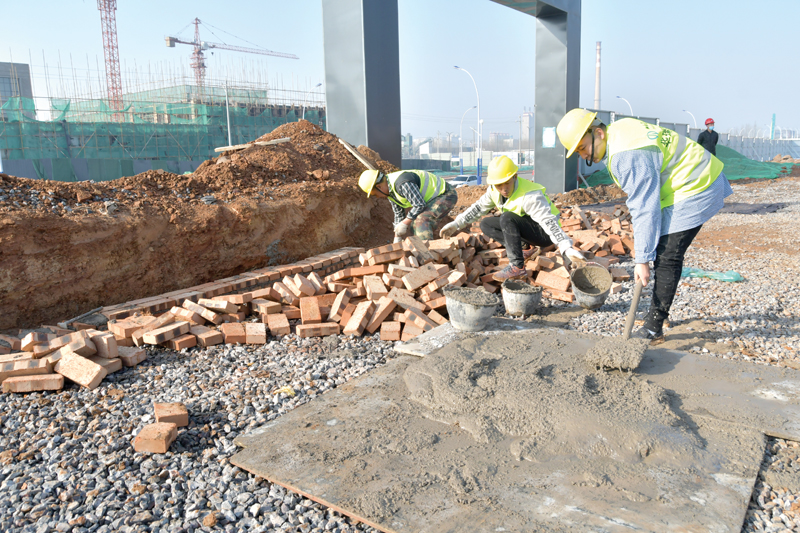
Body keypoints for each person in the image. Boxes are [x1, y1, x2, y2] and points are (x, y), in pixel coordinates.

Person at [556, 109, 733, 344]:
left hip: (696, 185)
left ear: (598, 133)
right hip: (685, 181)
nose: (583, 155)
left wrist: (642, 259)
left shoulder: (627, 155)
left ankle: (654, 327)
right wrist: (646, 252)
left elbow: (645, 207)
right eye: (578, 152)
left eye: (582, 147)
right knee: (661, 248)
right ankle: (656, 317)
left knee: (668, 255)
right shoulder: (619, 132)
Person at [439, 155, 585, 282]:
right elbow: (478, 208)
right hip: (526, 229)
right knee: (486, 224)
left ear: (515, 176)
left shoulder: (530, 195)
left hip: (543, 233)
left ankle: (517, 267)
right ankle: (524, 248)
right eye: (499, 185)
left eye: (507, 183)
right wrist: (457, 223)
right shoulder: (493, 191)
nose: (504, 189)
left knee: (507, 217)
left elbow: (548, 222)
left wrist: (565, 247)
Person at [358, 168, 458, 242]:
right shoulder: (390, 192)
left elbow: (419, 204)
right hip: (432, 199)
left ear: (379, 186)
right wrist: (397, 236)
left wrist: (405, 223)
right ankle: (419, 253)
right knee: (413, 225)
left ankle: (428, 258)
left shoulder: (402, 183)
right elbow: (399, 214)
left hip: (446, 194)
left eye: (375, 194)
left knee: (422, 220)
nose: (377, 197)